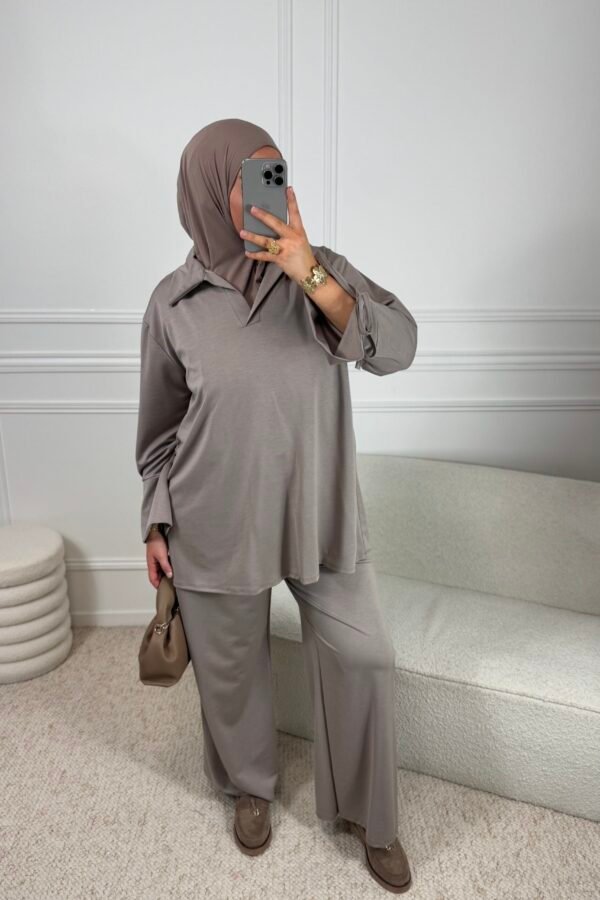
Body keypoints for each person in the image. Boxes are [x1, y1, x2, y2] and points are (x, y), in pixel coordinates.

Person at [135, 118, 418, 893]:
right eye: (253, 178)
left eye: (279, 173)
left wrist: (309, 271)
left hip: (318, 514)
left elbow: (399, 346)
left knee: (366, 654)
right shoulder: (173, 304)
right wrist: (156, 521)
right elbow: (158, 433)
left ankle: (368, 814)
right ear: (207, 191)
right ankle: (249, 786)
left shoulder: (323, 272)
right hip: (214, 520)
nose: (276, 191)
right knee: (232, 670)